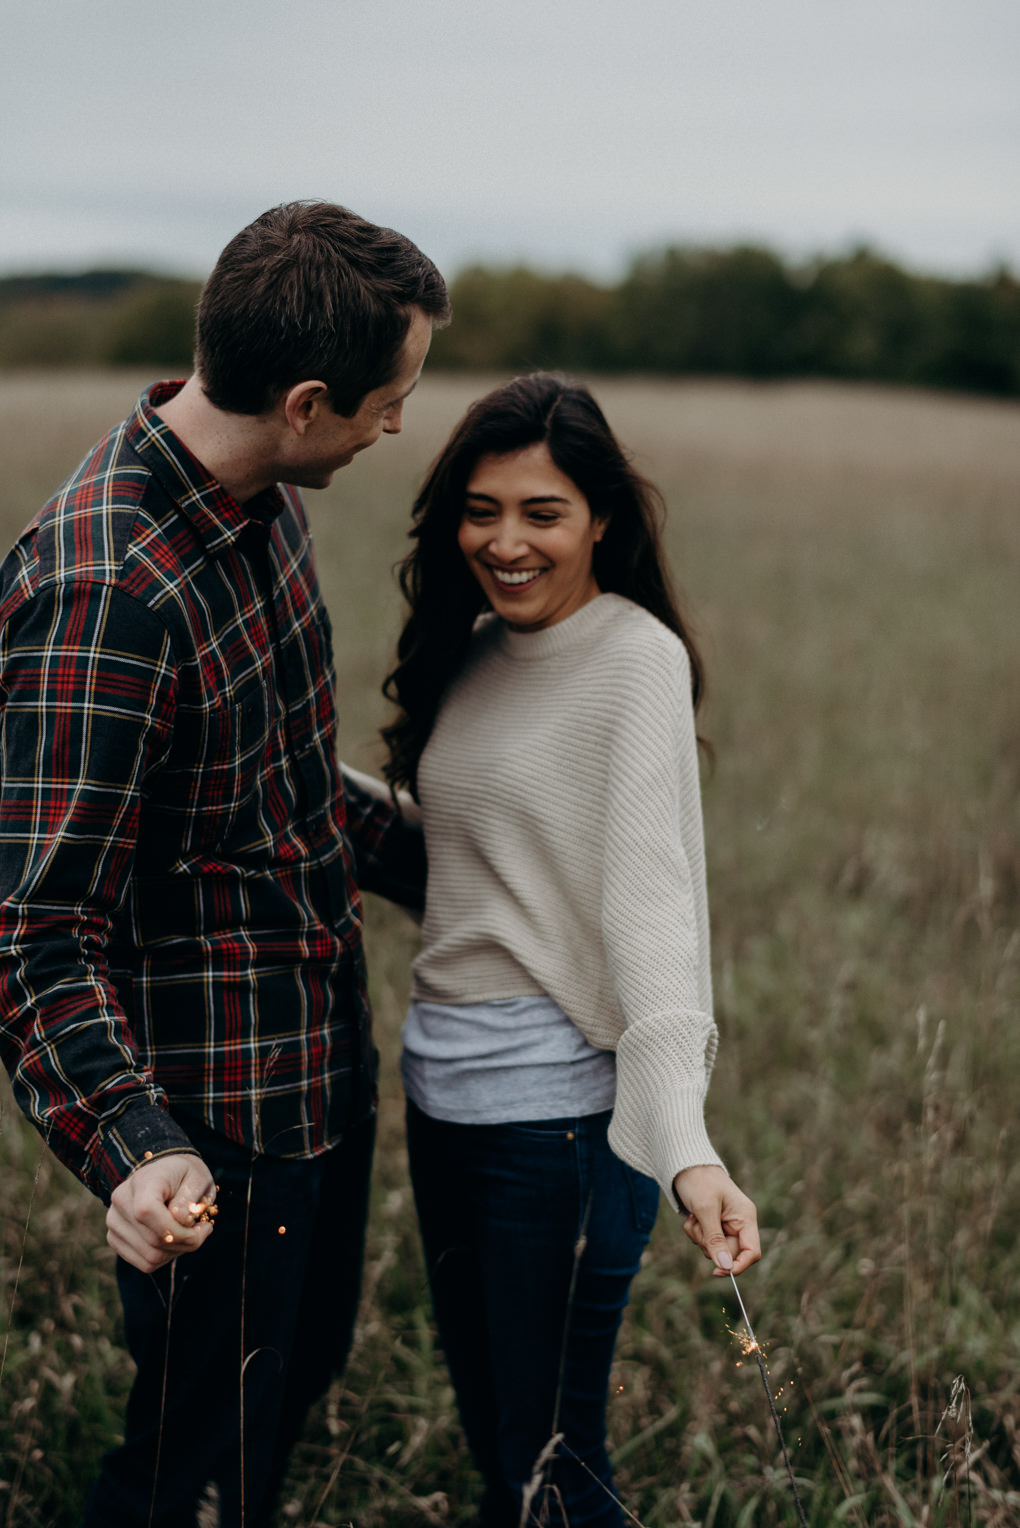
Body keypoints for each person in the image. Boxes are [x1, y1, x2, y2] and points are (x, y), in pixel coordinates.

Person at [0, 200, 449, 1527]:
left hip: (316, 1066)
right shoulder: (109, 598)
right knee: (190, 1468)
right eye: (388, 400)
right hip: (213, 1134)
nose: (397, 426)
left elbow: (288, 793)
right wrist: (137, 1151)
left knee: (283, 1395)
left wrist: (486, 871)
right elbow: (29, 937)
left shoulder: (255, 504)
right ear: (306, 400)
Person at [381, 373, 760, 1527]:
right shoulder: (479, 647)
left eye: (541, 512)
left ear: (602, 518)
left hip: (556, 1126)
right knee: (505, 1449)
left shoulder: (630, 657)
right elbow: (475, 855)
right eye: (481, 508)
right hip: (444, 1097)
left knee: (552, 1462)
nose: (506, 540)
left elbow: (649, 902)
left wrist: (683, 1143)